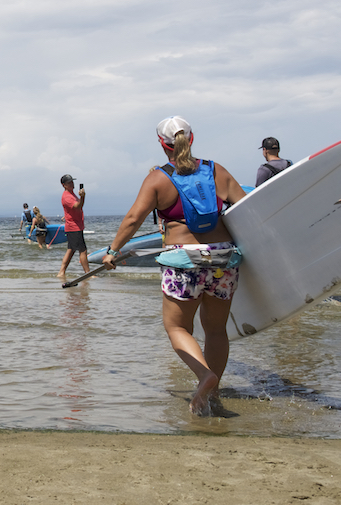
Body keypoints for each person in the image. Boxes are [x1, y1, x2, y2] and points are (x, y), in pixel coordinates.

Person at [102, 116, 246, 416]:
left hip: (183, 261)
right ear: (191, 139)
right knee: (216, 330)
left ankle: (204, 376)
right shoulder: (215, 170)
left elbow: (132, 220)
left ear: (161, 144)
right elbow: (247, 208)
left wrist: (112, 251)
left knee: (177, 327)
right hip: (223, 260)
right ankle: (212, 395)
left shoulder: (157, 178)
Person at [57, 174, 90, 278]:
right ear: (64, 185)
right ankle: (87, 273)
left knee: (72, 249)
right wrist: (82, 197)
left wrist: (81, 197)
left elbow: (79, 206)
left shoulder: (72, 194)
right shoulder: (66, 196)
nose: (72, 184)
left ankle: (62, 272)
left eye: (72, 182)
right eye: (69, 183)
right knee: (81, 250)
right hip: (73, 226)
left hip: (76, 225)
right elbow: (77, 206)